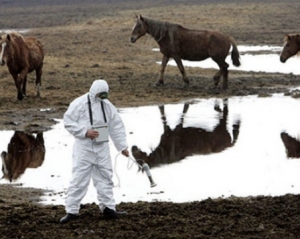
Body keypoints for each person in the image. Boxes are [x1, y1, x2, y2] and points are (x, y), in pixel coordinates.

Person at [60, 79, 129, 224]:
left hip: (102, 148)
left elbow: (116, 126)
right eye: (100, 95)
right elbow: (68, 121)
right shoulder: (79, 104)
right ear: (94, 92)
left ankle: (108, 208)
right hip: (84, 148)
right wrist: (85, 132)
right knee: (79, 179)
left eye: (105, 95)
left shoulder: (107, 105)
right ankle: (71, 211)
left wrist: (122, 147)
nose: (103, 98)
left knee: (105, 177)